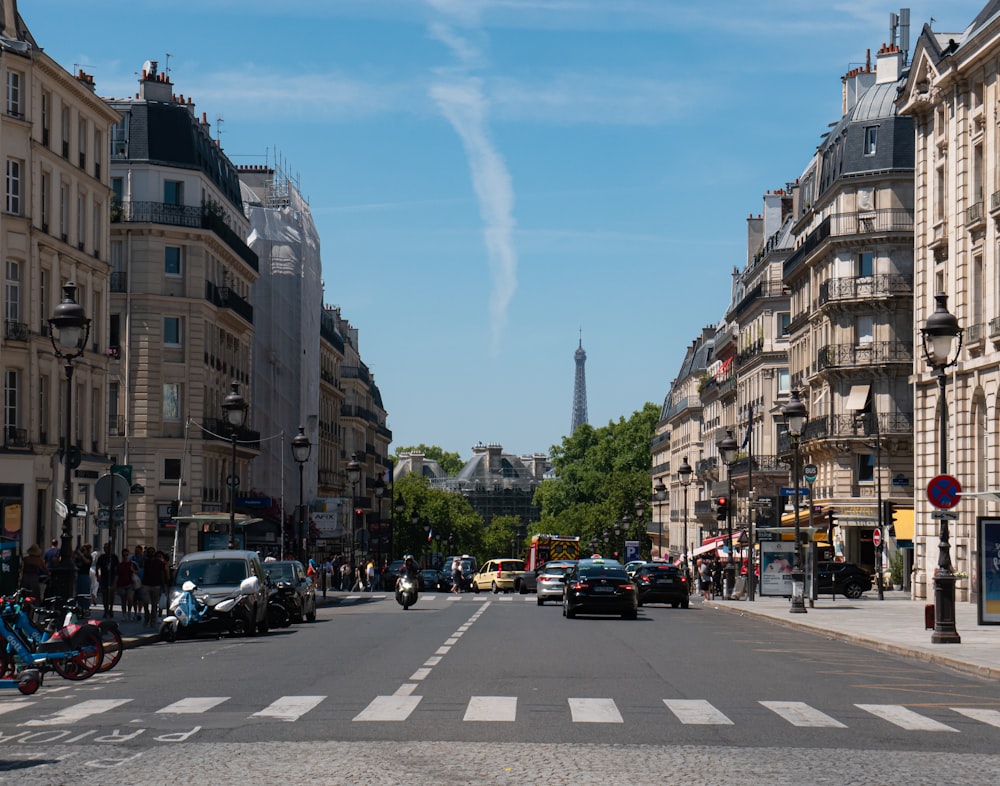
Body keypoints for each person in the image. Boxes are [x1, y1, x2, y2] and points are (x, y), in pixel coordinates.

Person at [95, 542, 119, 618]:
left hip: (112, 578)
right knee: (104, 595)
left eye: (107, 548)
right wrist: (98, 576)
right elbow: (98, 567)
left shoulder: (114, 557)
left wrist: (116, 580)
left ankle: (111, 609)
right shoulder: (101, 557)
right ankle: (105, 610)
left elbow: (117, 569)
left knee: (111, 594)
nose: (106, 549)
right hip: (104, 578)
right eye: (104, 548)